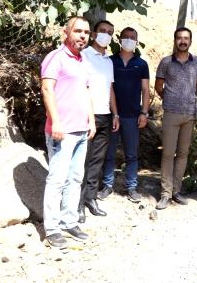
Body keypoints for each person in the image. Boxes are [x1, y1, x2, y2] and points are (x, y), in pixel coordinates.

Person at [41, 16, 95, 248]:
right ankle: (52, 228)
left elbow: (85, 92)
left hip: (82, 130)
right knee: (57, 179)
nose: (83, 35)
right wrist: (56, 123)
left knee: (75, 178)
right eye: (78, 31)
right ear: (66, 32)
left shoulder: (83, 60)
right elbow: (46, 89)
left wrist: (91, 121)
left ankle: (69, 221)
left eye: (86, 32)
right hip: (62, 131)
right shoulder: (56, 57)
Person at [154, 27, 197, 210]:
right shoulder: (166, 62)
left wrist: (189, 97)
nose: (183, 41)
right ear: (175, 40)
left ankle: (176, 190)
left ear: (190, 41)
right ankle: (165, 193)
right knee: (168, 153)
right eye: (179, 38)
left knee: (183, 154)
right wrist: (170, 99)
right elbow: (159, 86)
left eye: (186, 38)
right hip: (171, 113)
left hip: (190, 114)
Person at [99, 27, 150, 203]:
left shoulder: (141, 64)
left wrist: (144, 112)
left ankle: (131, 187)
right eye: (126, 37)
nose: (129, 40)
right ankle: (107, 185)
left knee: (131, 154)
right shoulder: (110, 61)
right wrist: (114, 113)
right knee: (109, 152)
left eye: (132, 37)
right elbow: (108, 86)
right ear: (119, 40)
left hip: (133, 116)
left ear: (137, 41)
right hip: (111, 115)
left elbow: (145, 89)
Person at [78, 20, 119, 223]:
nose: (106, 35)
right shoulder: (84, 56)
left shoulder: (108, 61)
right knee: (82, 161)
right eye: (103, 31)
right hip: (87, 116)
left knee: (97, 161)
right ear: (94, 34)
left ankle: (90, 198)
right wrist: (90, 115)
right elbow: (82, 87)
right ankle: (77, 205)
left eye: (110, 33)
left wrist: (115, 114)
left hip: (105, 115)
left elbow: (110, 89)